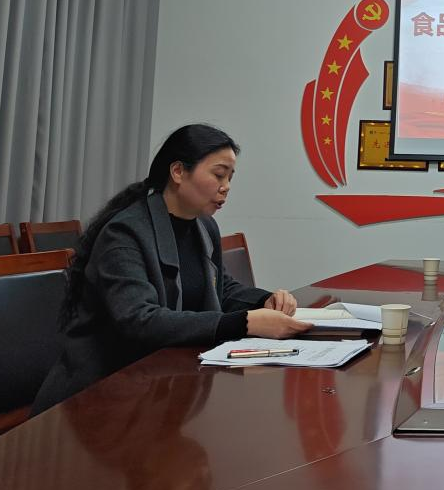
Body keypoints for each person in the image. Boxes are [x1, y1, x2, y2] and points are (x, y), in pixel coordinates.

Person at [34, 124, 311, 413]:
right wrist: (244, 323)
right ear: (178, 172)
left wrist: (264, 300)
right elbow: (140, 319)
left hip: (160, 384)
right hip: (100, 396)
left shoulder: (204, 226)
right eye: (218, 174)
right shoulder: (125, 233)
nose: (226, 186)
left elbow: (221, 287)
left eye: (230, 177)